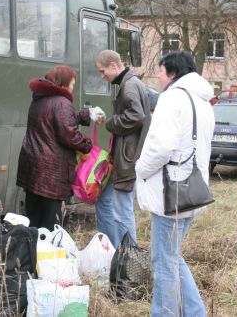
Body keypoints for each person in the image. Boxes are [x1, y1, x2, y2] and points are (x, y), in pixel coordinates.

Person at [135, 51, 214, 316]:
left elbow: (161, 147)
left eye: (160, 71)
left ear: (172, 73)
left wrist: (139, 168)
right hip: (193, 191)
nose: (157, 76)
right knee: (172, 257)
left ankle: (165, 313)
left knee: (164, 261)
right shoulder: (202, 102)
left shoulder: (172, 98)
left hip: (171, 194)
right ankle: (195, 312)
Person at [16, 65, 94, 230]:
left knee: (34, 218)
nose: (73, 89)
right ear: (64, 84)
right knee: (52, 222)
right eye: (72, 84)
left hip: (33, 167)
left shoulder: (39, 99)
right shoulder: (62, 103)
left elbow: (53, 121)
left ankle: (31, 252)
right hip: (51, 173)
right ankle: (49, 253)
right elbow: (69, 135)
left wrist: (82, 115)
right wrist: (87, 145)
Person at [94, 50, 151, 247]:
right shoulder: (130, 83)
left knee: (122, 212)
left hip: (128, 159)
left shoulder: (129, 86)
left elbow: (137, 116)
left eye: (102, 71)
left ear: (113, 65)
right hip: (128, 157)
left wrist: (112, 122)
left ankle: (129, 259)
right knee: (118, 208)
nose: (102, 76)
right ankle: (122, 254)